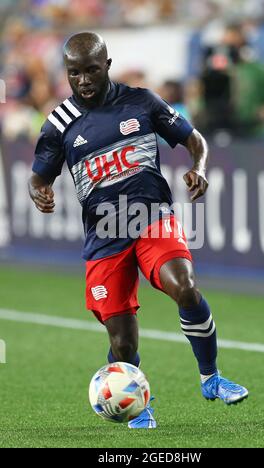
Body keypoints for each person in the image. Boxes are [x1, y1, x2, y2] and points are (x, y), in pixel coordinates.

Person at [28, 32, 248, 429]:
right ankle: (138, 403)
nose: (83, 80)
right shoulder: (59, 123)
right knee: (123, 343)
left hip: (151, 219)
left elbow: (194, 139)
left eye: (91, 70)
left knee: (185, 286)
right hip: (105, 237)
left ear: (107, 65)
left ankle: (211, 377)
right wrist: (40, 193)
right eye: (74, 72)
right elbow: (38, 177)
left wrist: (198, 168)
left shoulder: (142, 101)